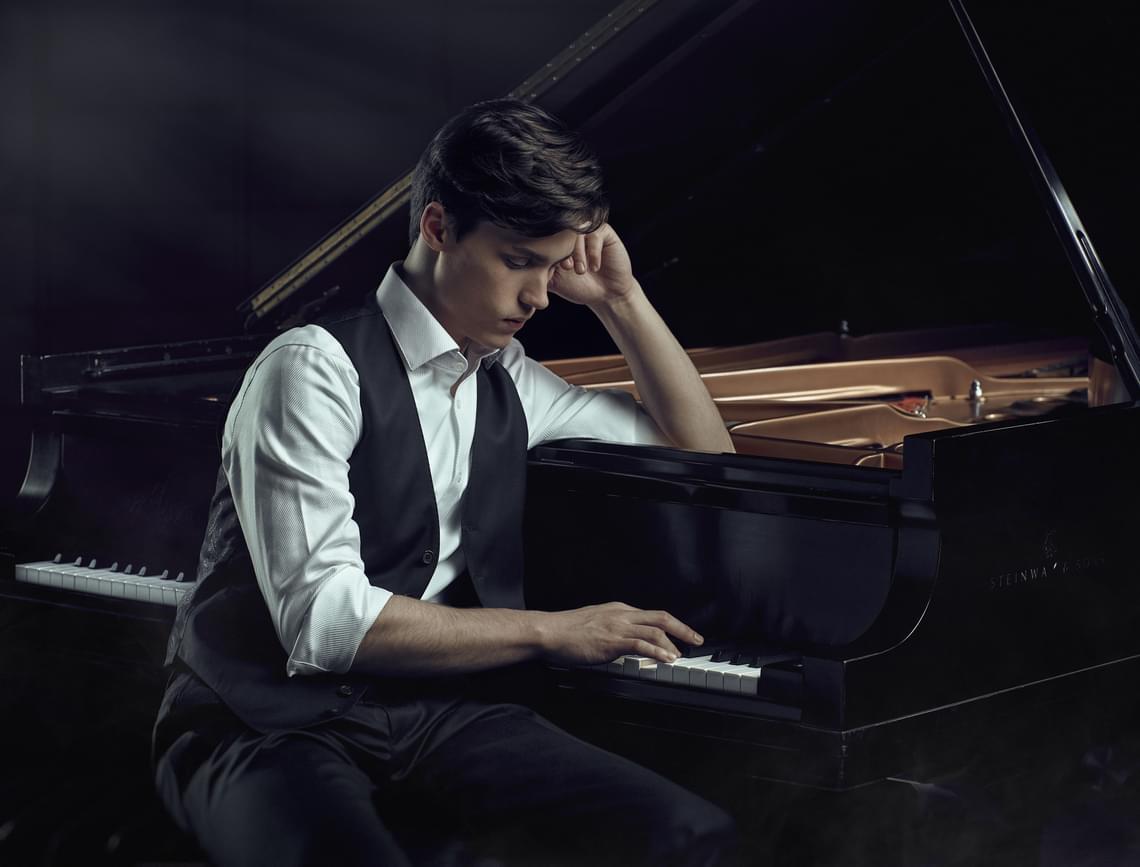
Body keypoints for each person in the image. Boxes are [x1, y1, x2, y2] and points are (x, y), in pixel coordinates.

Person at [152, 97, 738, 867]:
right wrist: (555, 629)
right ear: (437, 228)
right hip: (260, 723)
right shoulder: (312, 368)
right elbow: (326, 624)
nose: (537, 297)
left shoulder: (511, 380)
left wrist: (624, 303)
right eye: (519, 261)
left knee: (691, 837)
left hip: (430, 715)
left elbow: (705, 465)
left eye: (551, 265)